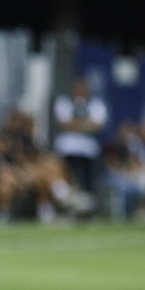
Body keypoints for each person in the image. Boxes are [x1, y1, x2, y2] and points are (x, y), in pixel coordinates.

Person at [52, 77, 108, 213]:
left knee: (88, 180)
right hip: (67, 149)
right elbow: (65, 124)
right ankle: (67, 204)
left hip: (88, 150)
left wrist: (75, 123)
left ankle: (87, 206)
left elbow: (97, 125)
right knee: (67, 177)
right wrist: (85, 123)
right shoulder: (64, 102)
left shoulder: (96, 103)